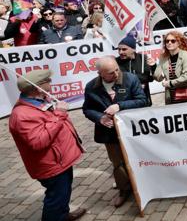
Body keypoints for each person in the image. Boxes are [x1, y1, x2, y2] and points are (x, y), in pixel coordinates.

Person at [9, 70, 86, 221]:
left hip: (60, 161)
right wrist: (59, 114)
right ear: (38, 87)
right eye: (48, 80)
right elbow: (38, 141)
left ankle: (63, 215)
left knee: (63, 194)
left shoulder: (39, 101)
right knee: (56, 199)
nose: (50, 82)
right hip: (51, 165)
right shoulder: (21, 115)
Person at [82, 56, 147, 207]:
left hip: (131, 129)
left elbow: (143, 100)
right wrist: (99, 118)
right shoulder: (91, 87)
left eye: (117, 69)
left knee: (136, 159)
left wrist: (120, 106)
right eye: (111, 73)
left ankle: (143, 185)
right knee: (117, 163)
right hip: (109, 133)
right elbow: (87, 109)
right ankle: (124, 189)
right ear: (100, 73)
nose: (116, 74)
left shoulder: (130, 79)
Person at [153, 31, 187, 104]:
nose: (169, 43)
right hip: (171, 96)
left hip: (186, 93)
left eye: (173, 41)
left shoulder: (186, 56)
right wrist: (152, 66)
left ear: (179, 43)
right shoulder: (163, 57)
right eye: (167, 41)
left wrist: (170, 83)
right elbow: (158, 78)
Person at [116, 35, 156, 106]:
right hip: (125, 102)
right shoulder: (115, 62)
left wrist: (153, 67)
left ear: (133, 49)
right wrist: (137, 83)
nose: (120, 52)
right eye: (119, 49)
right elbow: (118, 79)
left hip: (143, 99)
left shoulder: (143, 58)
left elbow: (150, 78)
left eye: (124, 49)